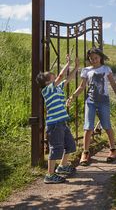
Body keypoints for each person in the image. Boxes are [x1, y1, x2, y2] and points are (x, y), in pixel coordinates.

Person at [67, 48, 116, 166]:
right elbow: (82, 86)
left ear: (100, 58)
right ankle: (85, 152)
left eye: (96, 58)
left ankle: (113, 149)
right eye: (91, 58)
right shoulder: (86, 70)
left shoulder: (106, 69)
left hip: (104, 102)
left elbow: (113, 84)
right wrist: (72, 96)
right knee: (88, 127)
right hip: (90, 102)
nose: (93, 60)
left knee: (107, 126)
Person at [36, 55, 79, 184]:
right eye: (52, 76)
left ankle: (62, 167)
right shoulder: (47, 90)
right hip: (54, 124)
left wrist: (76, 67)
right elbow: (61, 76)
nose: (55, 77)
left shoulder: (57, 88)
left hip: (62, 123)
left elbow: (67, 79)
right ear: (47, 82)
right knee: (56, 148)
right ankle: (49, 175)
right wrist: (68, 63)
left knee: (70, 145)